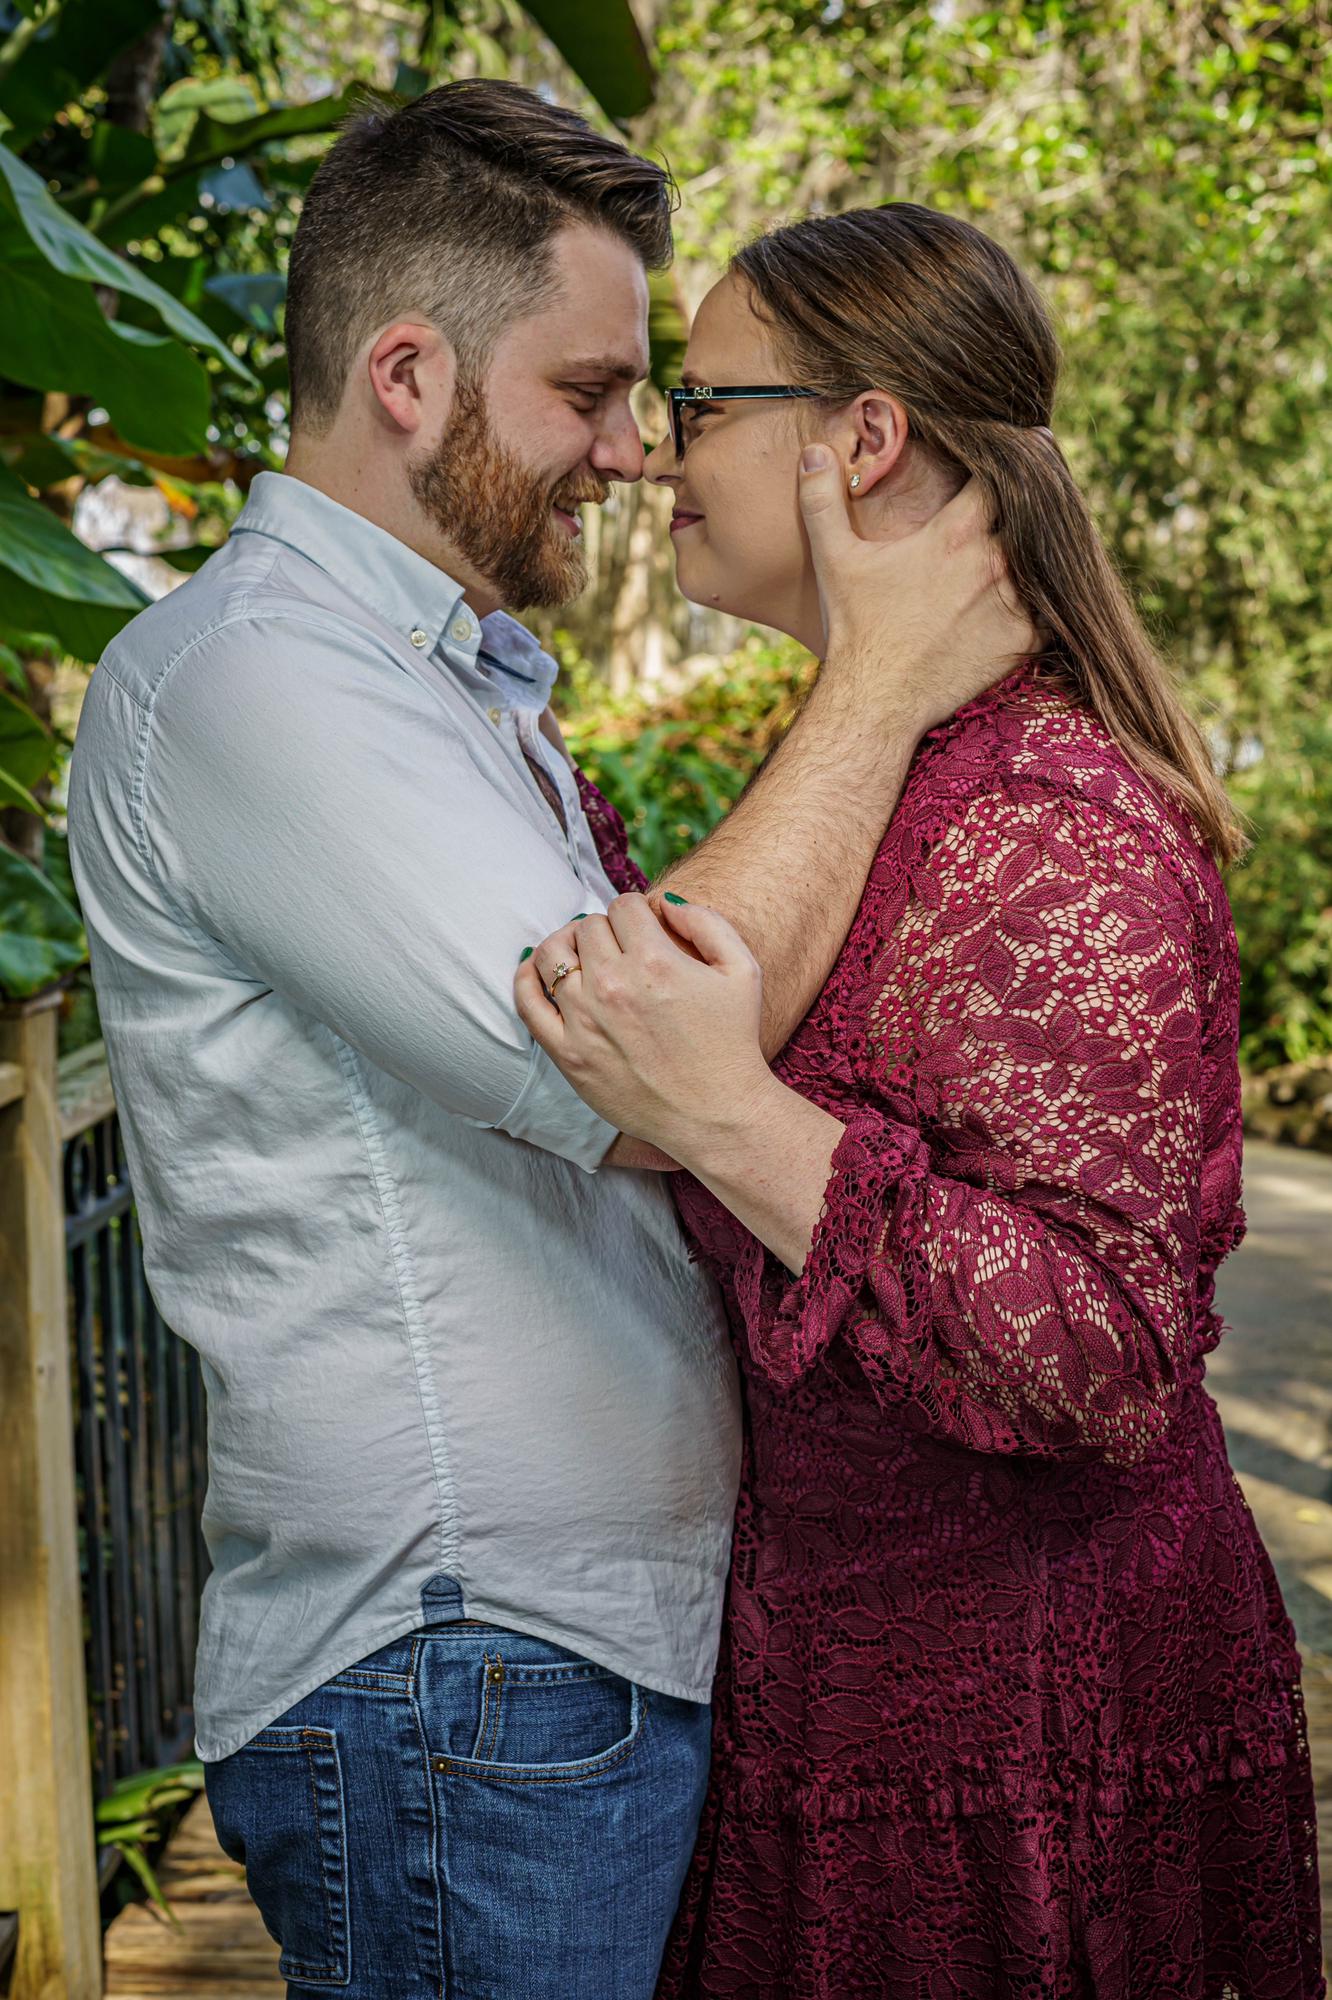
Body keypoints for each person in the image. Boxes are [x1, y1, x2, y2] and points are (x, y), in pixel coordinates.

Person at [65, 88, 1030, 2000]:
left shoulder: (435, 678)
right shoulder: (257, 676)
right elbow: (647, 1068)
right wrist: (880, 685)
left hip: (550, 1659)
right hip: (461, 1666)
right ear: (408, 375)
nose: (631, 450)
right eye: (589, 392)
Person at [519, 204, 1325, 1999]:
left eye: (700, 404)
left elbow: (1104, 1348)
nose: (655, 454)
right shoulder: (893, 759)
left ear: (861, 438)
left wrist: (734, 1121)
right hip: (831, 1694)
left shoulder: (1055, 820)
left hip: (1027, 1734)